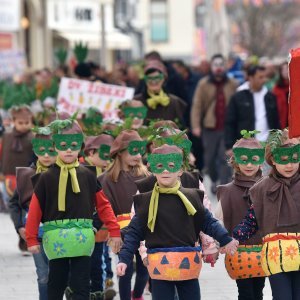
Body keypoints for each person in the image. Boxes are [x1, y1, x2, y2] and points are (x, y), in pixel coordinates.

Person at [116, 144, 239, 300]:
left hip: (188, 264)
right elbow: (133, 232)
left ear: (180, 170)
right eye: (160, 166)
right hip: (160, 267)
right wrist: (124, 260)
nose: (166, 170)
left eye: (171, 166)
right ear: (152, 169)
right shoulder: (146, 201)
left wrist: (225, 239)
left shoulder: (192, 196)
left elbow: (208, 222)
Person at [25, 116, 122, 300]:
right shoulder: (45, 178)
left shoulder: (88, 175)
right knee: (56, 282)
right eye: (63, 145)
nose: (69, 149)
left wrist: (114, 230)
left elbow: (103, 205)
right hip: (55, 242)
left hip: (82, 241)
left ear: (81, 146)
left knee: (81, 283)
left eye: (73, 145)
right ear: (55, 146)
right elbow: (35, 209)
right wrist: (31, 238)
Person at [233, 129, 300, 300]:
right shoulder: (263, 187)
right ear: (272, 160)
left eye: (294, 159)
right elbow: (252, 218)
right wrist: (235, 237)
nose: (289, 165)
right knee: (282, 296)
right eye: (283, 160)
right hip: (275, 255)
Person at [98, 130, 150, 300]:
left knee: (144, 269)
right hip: (120, 229)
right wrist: (111, 234)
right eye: (133, 151)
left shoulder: (146, 176)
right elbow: (103, 207)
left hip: (144, 228)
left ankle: (138, 295)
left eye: (140, 151)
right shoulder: (106, 179)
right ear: (120, 152)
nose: (138, 155)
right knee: (124, 270)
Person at [216, 132, 266, 300]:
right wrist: (217, 242)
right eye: (244, 160)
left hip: (264, 250)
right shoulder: (227, 191)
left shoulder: (269, 187)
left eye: (254, 159)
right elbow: (218, 219)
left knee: (258, 290)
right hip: (239, 251)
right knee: (245, 292)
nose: (249, 165)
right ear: (235, 161)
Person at [9, 132, 57, 300]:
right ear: (35, 150)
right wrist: (19, 226)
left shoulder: (66, 174)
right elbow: (14, 202)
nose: (45, 155)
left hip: (61, 232)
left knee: (62, 275)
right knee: (43, 275)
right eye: (41, 150)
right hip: (36, 233)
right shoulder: (26, 175)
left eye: (51, 150)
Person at [191, 54, 237, 192]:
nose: (218, 68)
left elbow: (237, 105)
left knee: (225, 158)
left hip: (228, 127)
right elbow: (197, 105)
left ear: (225, 66)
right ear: (211, 67)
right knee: (210, 158)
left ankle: (222, 185)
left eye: (221, 64)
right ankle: (213, 179)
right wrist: (196, 125)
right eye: (215, 65)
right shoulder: (204, 83)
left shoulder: (232, 84)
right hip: (209, 127)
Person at [83, 134, 116, 300]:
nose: (107, 160)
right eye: (104, 155)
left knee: (99, 258)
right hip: (82, 224)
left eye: (110, 156)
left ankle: (101, 287)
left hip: (101, 224)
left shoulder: (108, 173)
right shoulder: (82, 171)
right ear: (90, 153)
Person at [225, 65, 280, 152]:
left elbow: (276, 121)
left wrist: (277, 142)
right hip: (245, 145)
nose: (264, 80)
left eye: (265, 77)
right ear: (251, 78)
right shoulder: (238, 96)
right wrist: (229, 145)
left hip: (267, 145)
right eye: (260, 77)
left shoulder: (270, 96)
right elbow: (230, 122)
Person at [134, 60, 187, 127]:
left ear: (164, 79)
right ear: (145, 80)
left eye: (157, 77)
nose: (153, 81)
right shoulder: (136, 101)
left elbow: (181, 128)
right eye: (149, 78)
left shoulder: (174, 102)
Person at [272, 62, 289, 129]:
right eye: (283, 69)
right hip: (282, 122)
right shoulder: (277, 88)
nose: (286, 71)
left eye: (287, 68)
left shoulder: (296, 86)